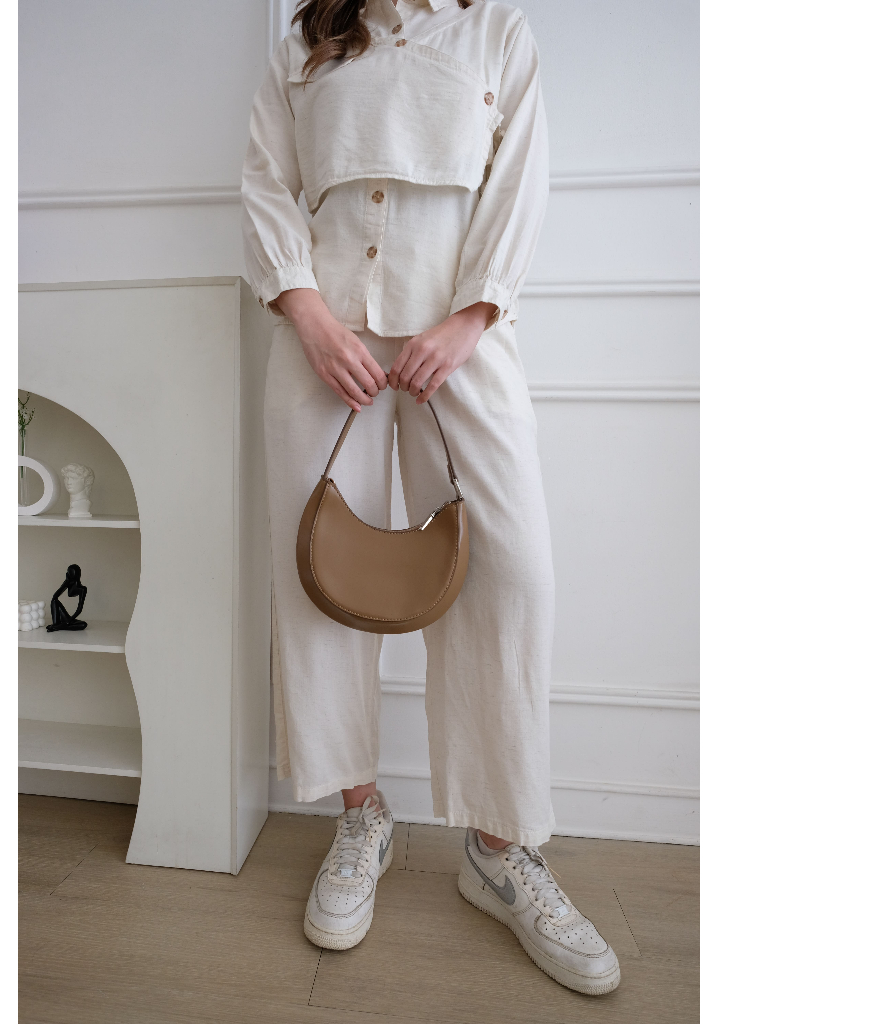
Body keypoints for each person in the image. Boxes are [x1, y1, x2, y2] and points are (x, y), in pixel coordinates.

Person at [242, 0, 620, 996]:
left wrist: (470, 318)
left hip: (463, 344)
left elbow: (518, 182)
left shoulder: (496, 31)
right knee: (320, 579)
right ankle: (359, 815)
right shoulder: (304, 42)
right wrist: (309, 315)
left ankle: (499, 849)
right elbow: (267, 180)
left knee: (514, 576)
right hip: (322, 351)